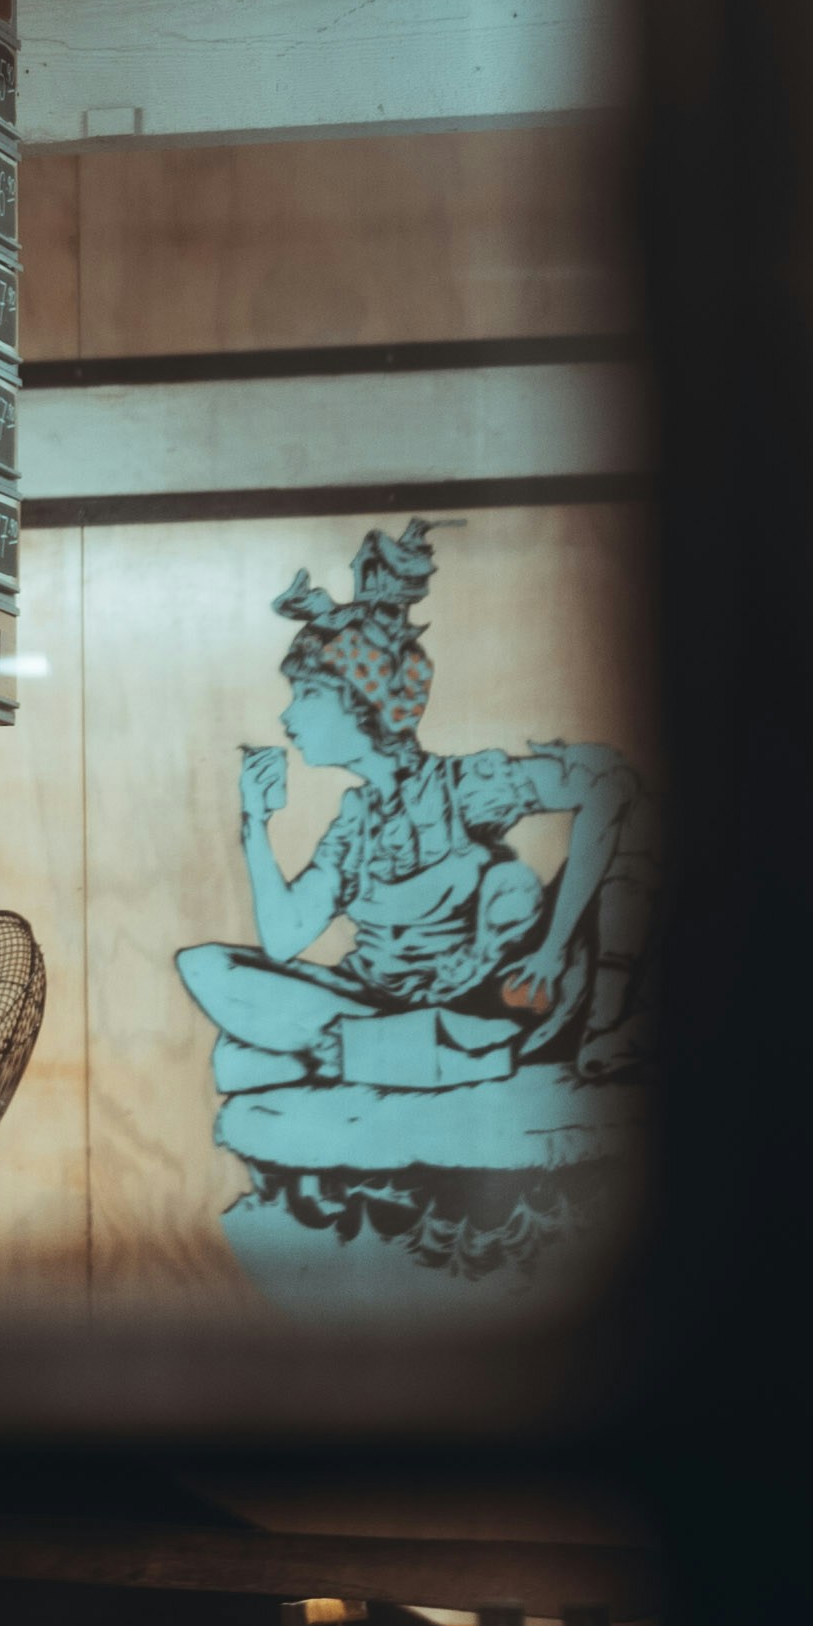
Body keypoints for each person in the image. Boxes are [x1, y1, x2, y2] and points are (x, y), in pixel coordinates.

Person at [177, 522, 648, 1277]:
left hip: (489, 1006)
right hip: (378, 1004)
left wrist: (557, 949)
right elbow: (285, 940)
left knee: (255, 1061)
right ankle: (365, 1049)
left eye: (303, 696)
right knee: (205, 968)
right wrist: (254, 825)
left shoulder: (465, 788)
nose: (288, 717)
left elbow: (607, 789)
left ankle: (375, 1054)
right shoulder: (354, 822)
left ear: (357, 702)